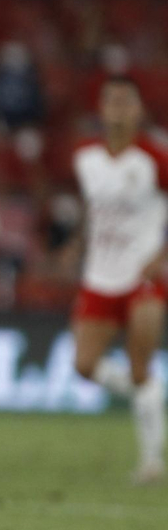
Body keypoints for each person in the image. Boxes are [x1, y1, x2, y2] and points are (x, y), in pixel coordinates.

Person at [70, 76, 168, 484]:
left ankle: (152, 462)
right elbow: (93, 211)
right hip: (99, 275)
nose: (119, 109)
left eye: (127, 102)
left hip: (143, 275)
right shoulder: (85, 158)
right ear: (101, 108)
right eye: (112, 101)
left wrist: (161, 256)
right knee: (84, 366)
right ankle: (147, 394)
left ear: (139, 110)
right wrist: (75, 247)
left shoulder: (154, 158)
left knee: (140, 363)